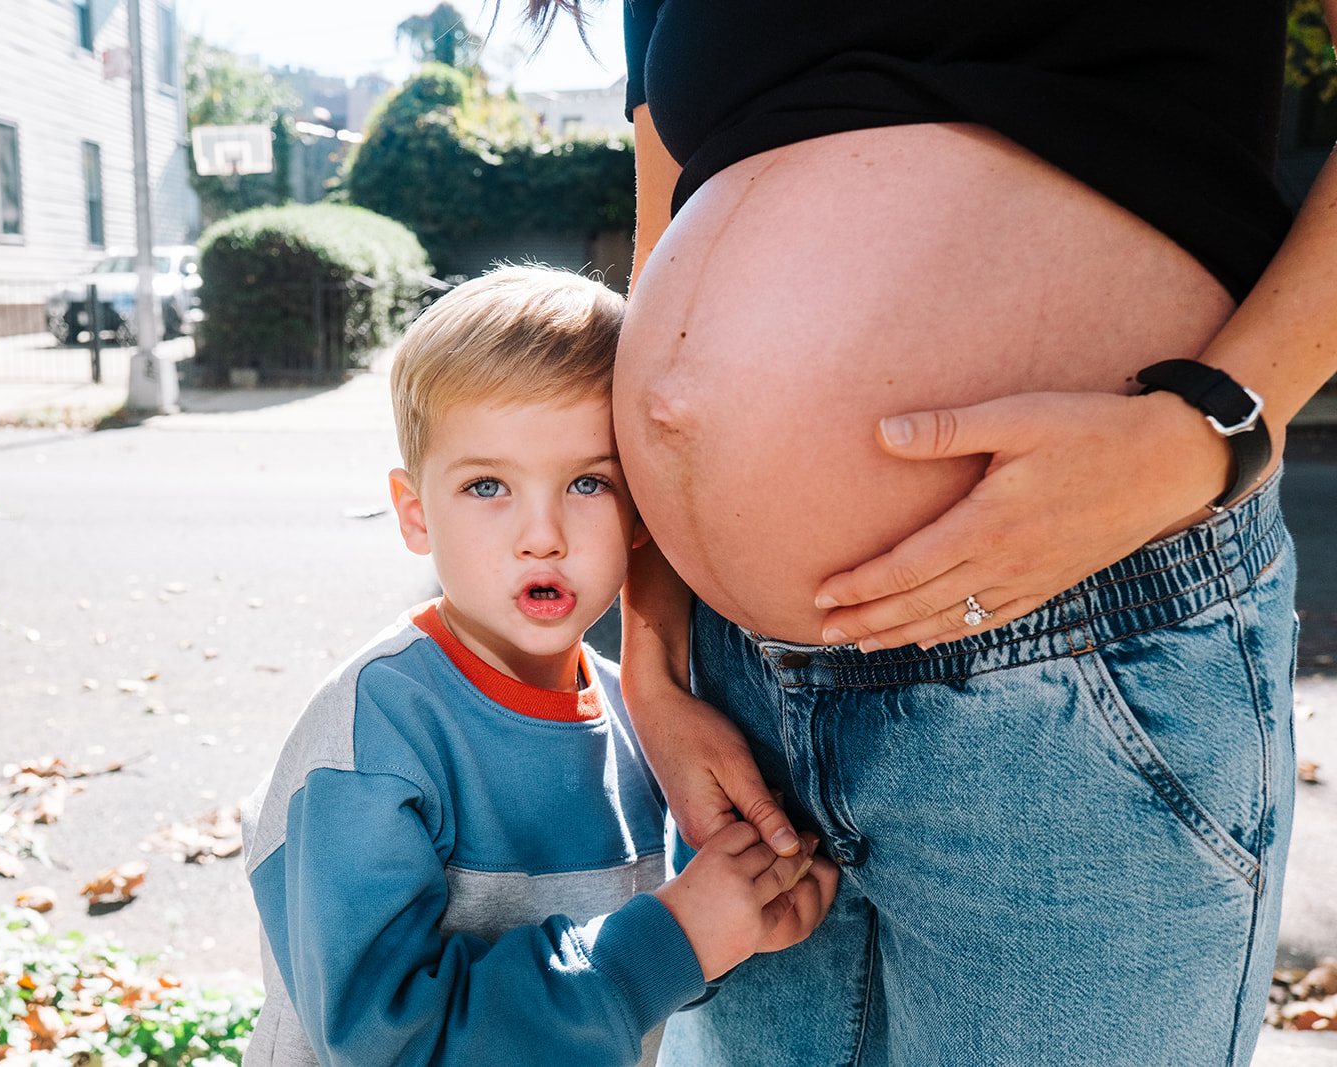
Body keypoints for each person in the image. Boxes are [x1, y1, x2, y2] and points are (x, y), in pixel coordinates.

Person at [514, 0, 1337, 1064]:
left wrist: (1215, 425)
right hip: (739, 705)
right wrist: (655, 665)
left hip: (1075, 655)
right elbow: (659, 238)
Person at [238, 266, 839, 1067]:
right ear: (415, 513)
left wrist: (734, 920)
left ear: (641, 511)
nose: (543, 534)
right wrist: (676, 937)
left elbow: (626, 977)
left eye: (588, 482)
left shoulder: (642, 722)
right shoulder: (372, 740)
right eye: (487, 485)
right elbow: (391, 1044)